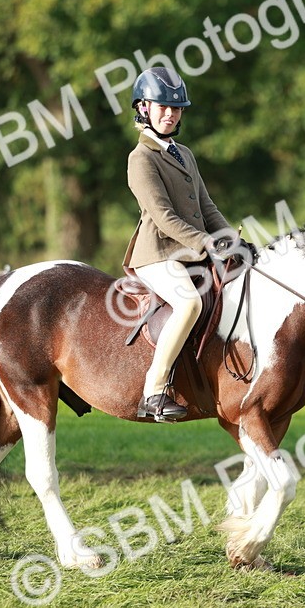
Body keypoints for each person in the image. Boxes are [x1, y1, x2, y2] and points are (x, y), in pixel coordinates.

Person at [121, 67, 235, 422]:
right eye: (163, 107)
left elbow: (207, 207)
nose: (171, 114)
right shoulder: (140, 159)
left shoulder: (183, 153)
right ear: (143, 108)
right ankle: (154, 393)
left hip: (191, 251)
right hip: (158, 254)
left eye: (177, 108)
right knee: (188, 304)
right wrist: (207, 244)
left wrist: (231, 239)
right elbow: (163, 217)